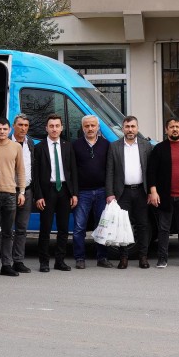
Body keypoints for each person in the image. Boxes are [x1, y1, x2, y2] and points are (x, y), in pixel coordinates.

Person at [147, 118, 179, 268]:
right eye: (171, 127)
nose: (174, 129)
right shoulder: (159, 149)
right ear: (166, 130)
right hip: (165, 196)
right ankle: (162, 258)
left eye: (177, 127)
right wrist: (153, 192)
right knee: (164, 229)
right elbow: (151, 172)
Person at [32, 114, 78, 273]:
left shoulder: (67, 146)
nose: (54, 129)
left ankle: (60, 260)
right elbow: (35, 175)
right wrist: (38, 195)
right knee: (45, 228)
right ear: (46, 128)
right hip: (47, 191)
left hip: (65, 191)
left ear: (61, 128)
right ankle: (44, 262)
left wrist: (74, 193)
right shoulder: (39, 148)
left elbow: (73, 171)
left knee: (64, 228)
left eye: (57, 126)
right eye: (51, 126)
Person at [105, 115, 152, 269]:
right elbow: (110, 171)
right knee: (123, 226)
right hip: (122, 192)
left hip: (141, 191)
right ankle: (123, 258)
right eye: (127, 127)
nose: (130, 130)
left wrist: (152, 191)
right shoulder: (114, 146)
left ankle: (143, 257)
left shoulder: (146, 146)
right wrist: (110, 193)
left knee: (143, 225)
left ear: (137, 128)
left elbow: (150, 172)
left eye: (133, 126)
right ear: (123, 128)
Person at [0, 117, 26, 276]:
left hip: (11, 193)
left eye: (5, 129)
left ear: (9, 130)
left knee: (8, 232)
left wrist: (21, 191)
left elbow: (21, 171)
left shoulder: (16, 147)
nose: (2, 131)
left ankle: (7, 265)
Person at [71, 115, 108, 269]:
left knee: (102, 226)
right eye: (87, 126)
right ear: (83, 128)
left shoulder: (106, 145)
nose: (90, 128)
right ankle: (80, 258)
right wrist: (74, 192)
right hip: (83, 192)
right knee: (79, 227)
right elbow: (72, 171)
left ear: (98, 127)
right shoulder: (75, 145)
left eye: (93, 125)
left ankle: (102, 257)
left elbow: (110, 169)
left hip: (102, 191)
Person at [10, 115, 34, 273]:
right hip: (9, 191)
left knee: (22, 228)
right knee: (6, 229)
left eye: (26, 125)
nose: (23, 128)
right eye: (20, 125)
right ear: (13, 125)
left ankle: (18, 261)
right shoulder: (5, 142)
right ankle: (5, 261)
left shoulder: (30, 143)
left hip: (27, 190)